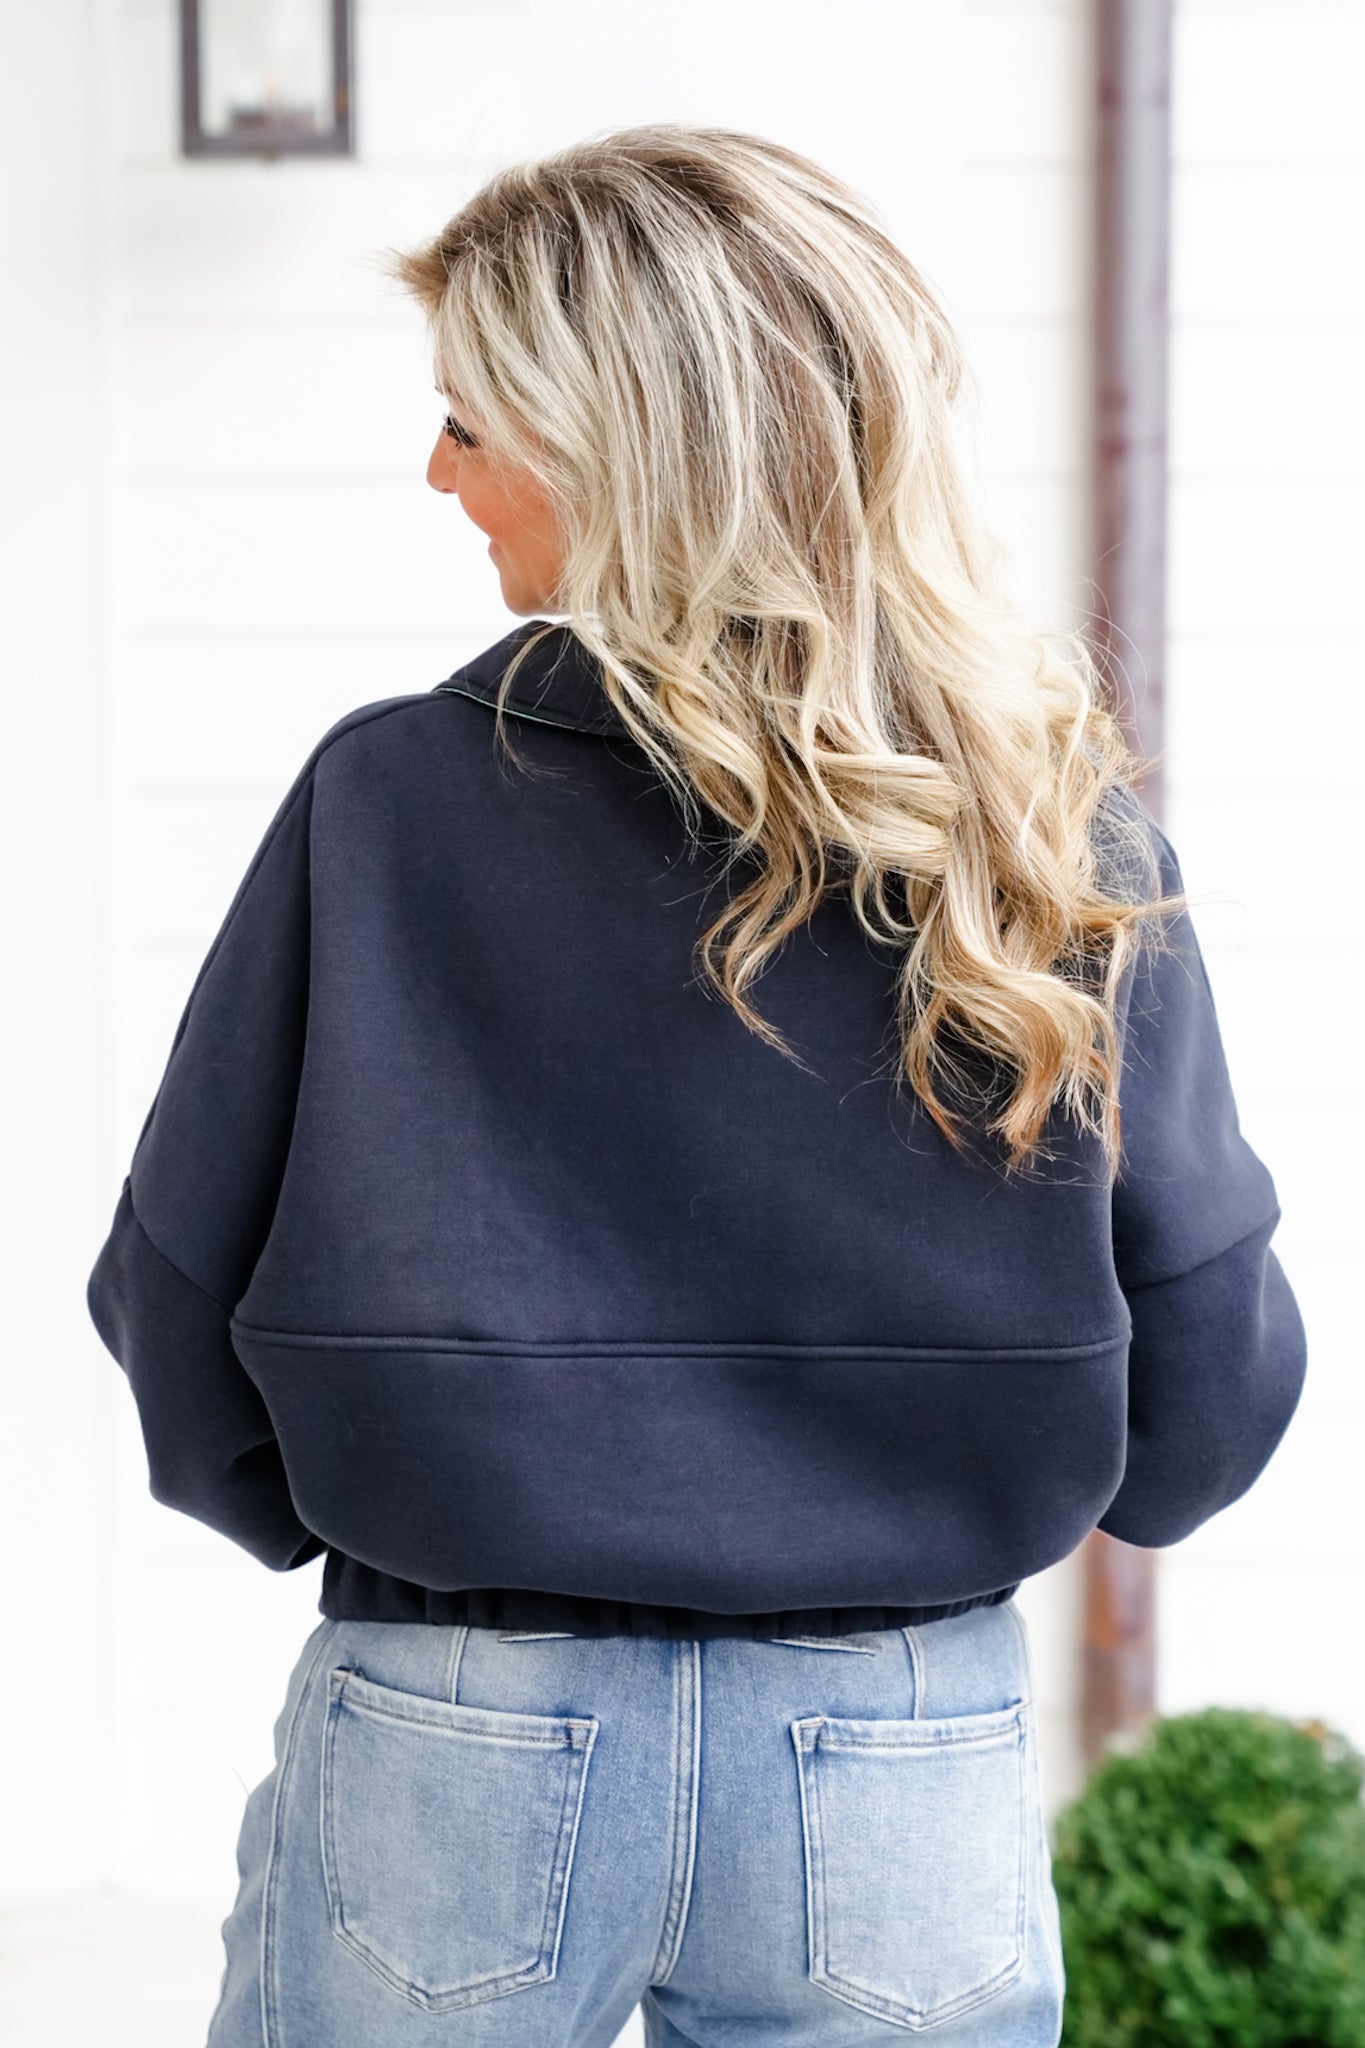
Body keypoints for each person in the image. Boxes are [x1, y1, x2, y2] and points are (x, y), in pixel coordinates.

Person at [85, 123, 1307, 2048]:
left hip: (456, 1716)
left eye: (469, 423)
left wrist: (390, 1513)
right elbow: (1210, 1383)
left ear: (619, 451)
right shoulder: (1041, 841)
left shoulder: (385, 801)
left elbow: (172, 1293)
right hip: (896, 1743)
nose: (436, 474)